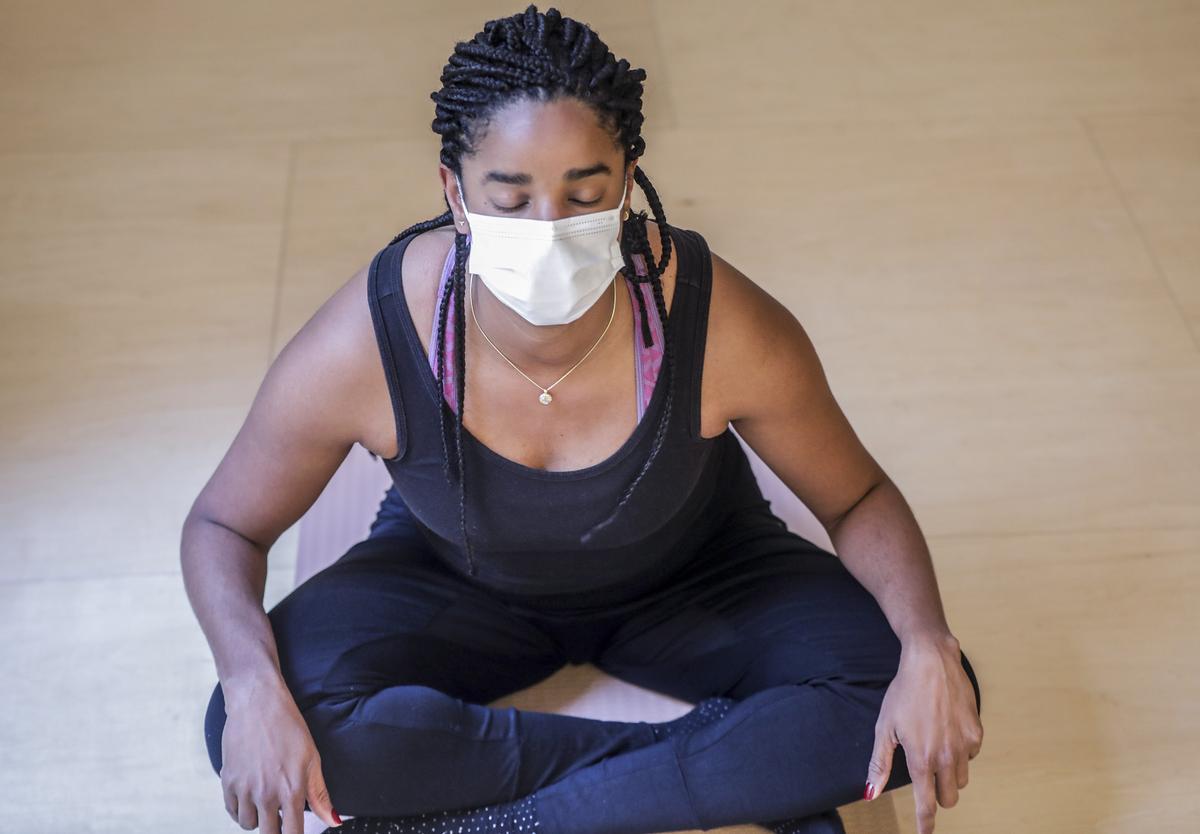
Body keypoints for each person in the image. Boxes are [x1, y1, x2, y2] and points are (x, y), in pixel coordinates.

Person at [181, 6, 984, 834]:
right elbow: (223, 525)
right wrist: (248, 687)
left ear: (630, 177)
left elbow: (858, 500)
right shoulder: (370, 338)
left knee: (904, 685)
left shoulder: (722, 322)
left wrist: (928, 642)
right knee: (255, 721)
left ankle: (530, 819)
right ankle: (716, 772)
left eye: (586, 191)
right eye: (511, 195)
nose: (551, 229)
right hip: (457, 584)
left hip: (698, 581)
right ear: (453, 192)